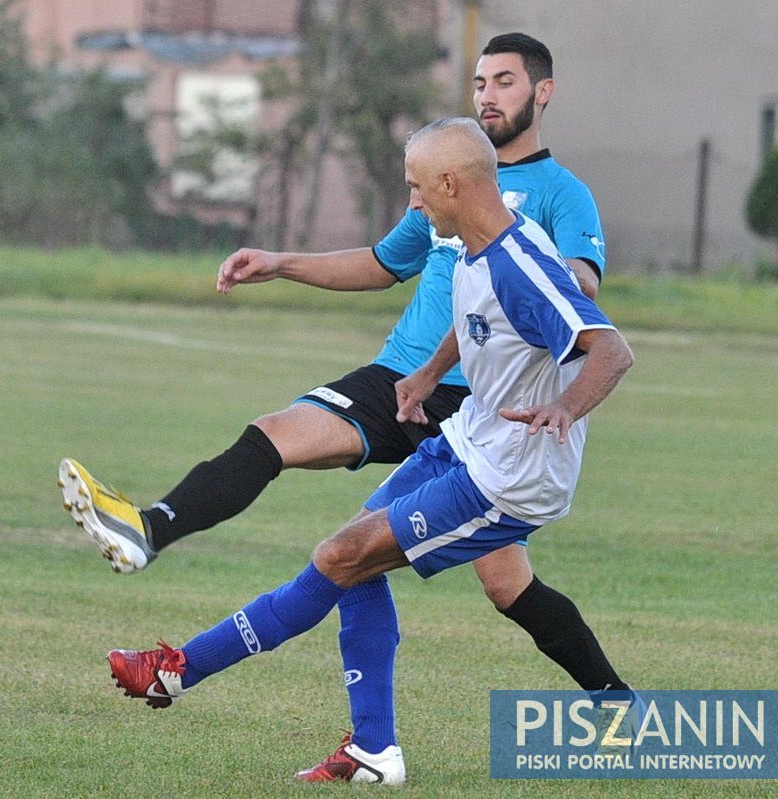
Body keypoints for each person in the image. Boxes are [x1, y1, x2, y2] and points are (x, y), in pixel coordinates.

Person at [61, 33, 635, 779]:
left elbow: (609, 345)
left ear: (456, 186)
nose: (412, 201)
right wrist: (428, 373)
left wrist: (563, 406)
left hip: (509, 471)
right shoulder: (470, 243)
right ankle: (376, 747)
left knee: (342, 556)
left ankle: (176, 668)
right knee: (375, 561)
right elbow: (471, 314)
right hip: (465, 434)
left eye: (418, 187)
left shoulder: (530, 246)